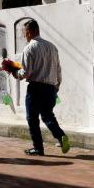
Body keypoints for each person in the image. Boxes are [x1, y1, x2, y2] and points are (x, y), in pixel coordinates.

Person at [12, 20, 70, 156]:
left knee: (32, 118)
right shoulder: (52, 47)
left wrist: (15, 73)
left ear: (28, 32)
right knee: (48, 115)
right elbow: (58, 69)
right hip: (50, 88)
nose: (24, 36)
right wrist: (56, 86)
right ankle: (61, 136)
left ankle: (38, 147)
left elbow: (26, 72)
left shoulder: (29, 48)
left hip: (36, 88)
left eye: (24, 33)